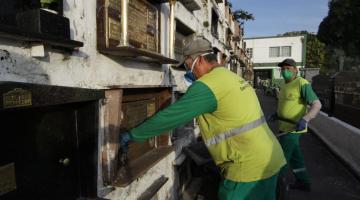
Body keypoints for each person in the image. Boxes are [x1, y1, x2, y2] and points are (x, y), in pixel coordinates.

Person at [119, 38, 286, 200]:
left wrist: (132, 135)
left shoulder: (208, 85)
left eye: (186, 66)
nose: (188, 72)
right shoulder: (233, 78)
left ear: (198, 60)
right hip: (269, 158)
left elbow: (170, 117)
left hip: (246, 168)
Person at [270, 58, 322, 192]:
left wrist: (306, 118)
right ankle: (303, 182)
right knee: (296, 159)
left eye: (288, 68)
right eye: (283, 69)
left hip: (293, 130)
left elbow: (317, 104)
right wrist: (276, 114)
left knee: (280, 160)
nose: (285, 71)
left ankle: (276, 189)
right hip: (283, 127)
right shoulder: (285, 85)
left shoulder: (302, 83)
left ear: (295, 70)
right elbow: (287, 105)